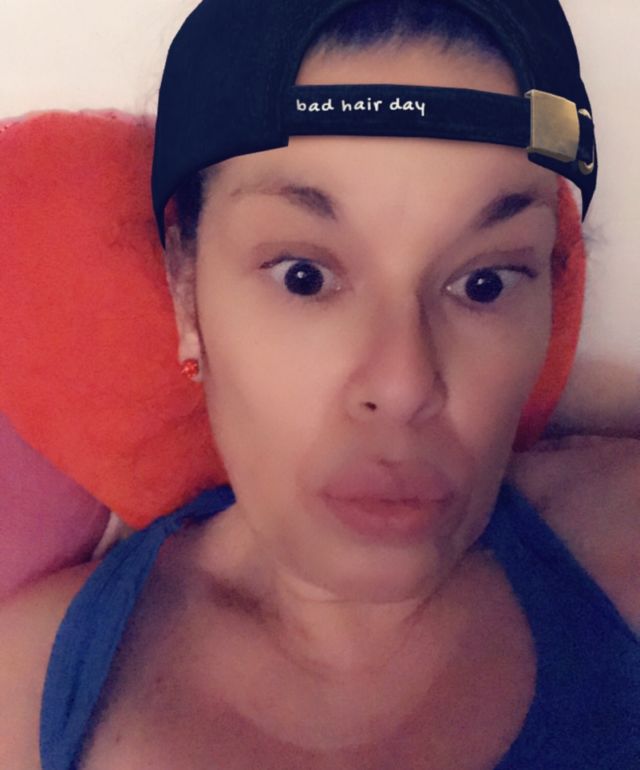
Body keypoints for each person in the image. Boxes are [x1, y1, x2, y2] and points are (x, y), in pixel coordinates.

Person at [1, 1, 638, 768]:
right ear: (187, 289)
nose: (403, 384)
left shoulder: (620, 551)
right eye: (304, 276)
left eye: (487, 282)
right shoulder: (25, 687)